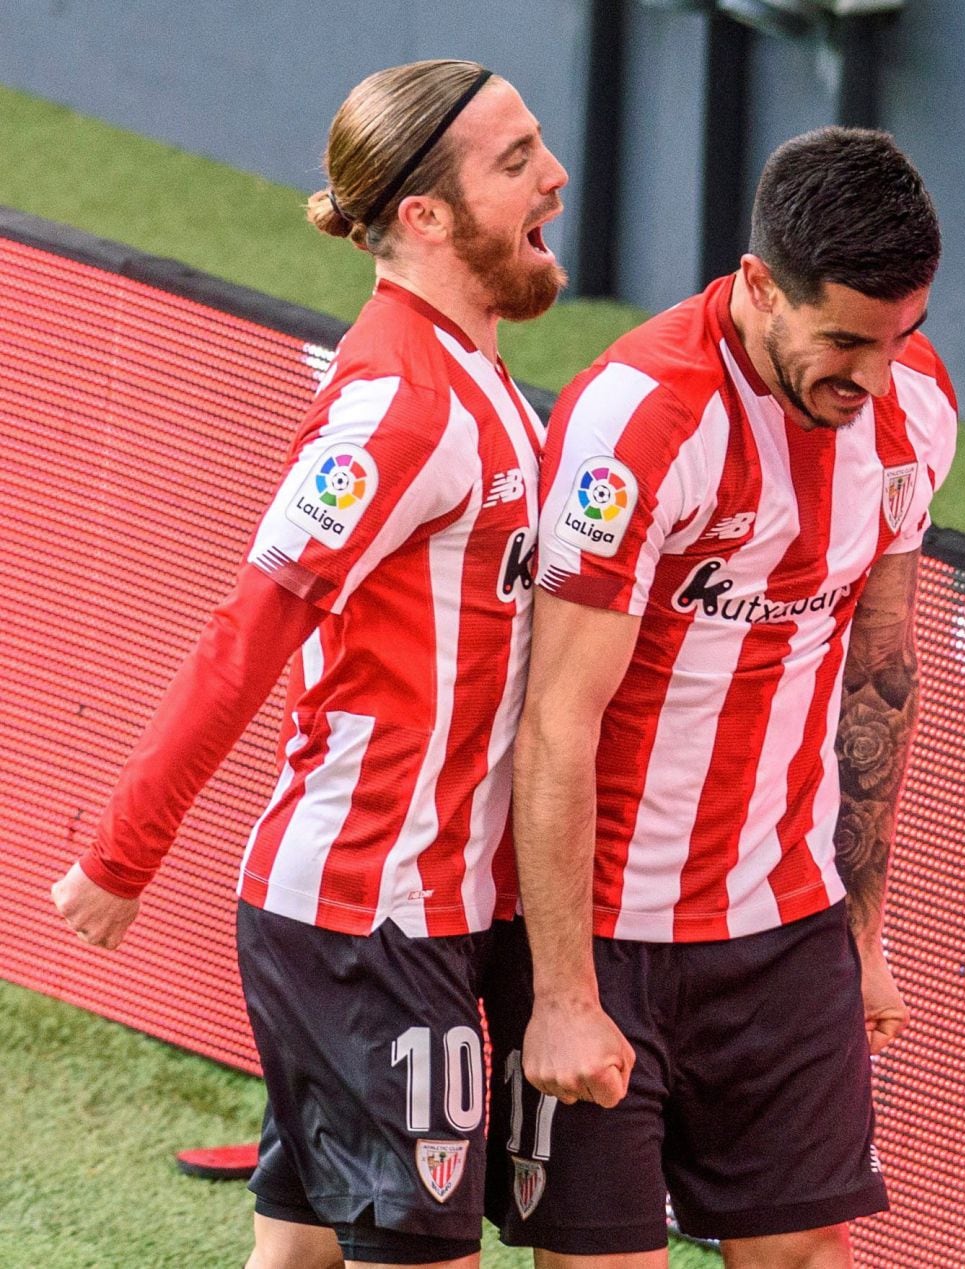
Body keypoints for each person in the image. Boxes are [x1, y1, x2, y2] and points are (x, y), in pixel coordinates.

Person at [50, 58, 568, 1269]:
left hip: (406, 911)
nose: (554, 177)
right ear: (426, 218)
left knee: (295, 1250)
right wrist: (125, 852)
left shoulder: (474, 372)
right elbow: (247, 633)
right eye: (517, 163)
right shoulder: (401, 407)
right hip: (370, 924)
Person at [486, 127, 956, 1269]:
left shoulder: (910, 412)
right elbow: (557, 719)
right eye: (845, 340)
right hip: (604, 935)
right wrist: (559, 992)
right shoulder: (639, 422)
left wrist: (864, 938)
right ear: (757, 285)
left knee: (802, 1257)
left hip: (785, 928)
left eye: (902, 338)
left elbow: (880, 677)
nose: (874, 376)